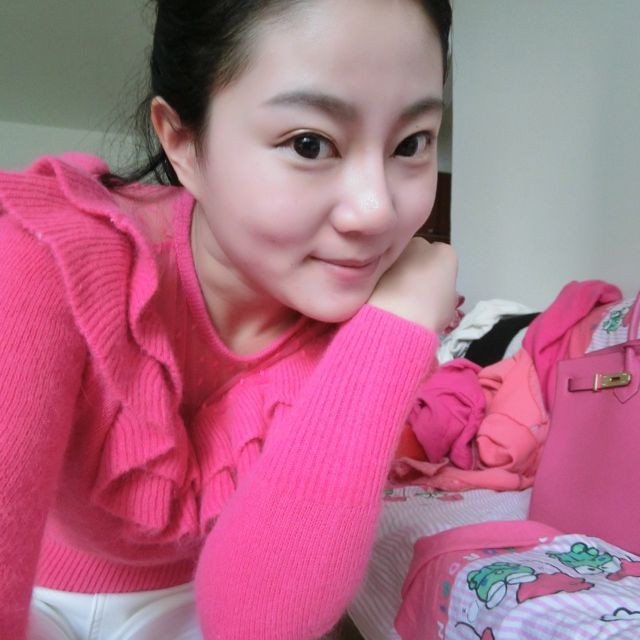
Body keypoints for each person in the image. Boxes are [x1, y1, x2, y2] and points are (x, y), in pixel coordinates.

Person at [0, 0, 456, 638]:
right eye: (309, 144)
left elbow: (255, 625)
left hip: (212, 599)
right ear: (182, 142)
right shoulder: (44, 254)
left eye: (412, 144)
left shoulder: (373, 316)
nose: (376, 212)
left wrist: (393, 331)